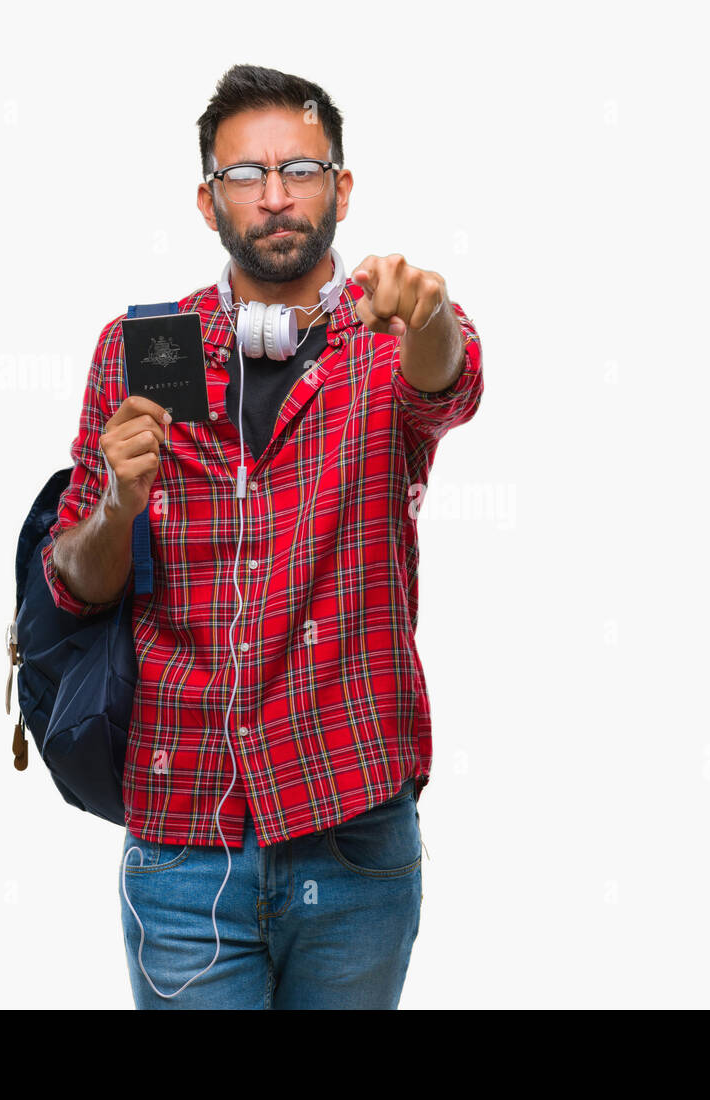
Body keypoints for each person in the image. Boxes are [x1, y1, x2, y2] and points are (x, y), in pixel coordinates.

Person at [41, 63, 484, 1009]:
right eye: (246, 175)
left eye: (301, 168)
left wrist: (432, 311)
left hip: (353, 820)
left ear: (343, 187)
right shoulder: (140, 350)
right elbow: (74, 583)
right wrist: (119, 503)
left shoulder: (391, 335)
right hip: (185, 833)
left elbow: (449, 384)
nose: (275, 196)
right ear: (208, 202)